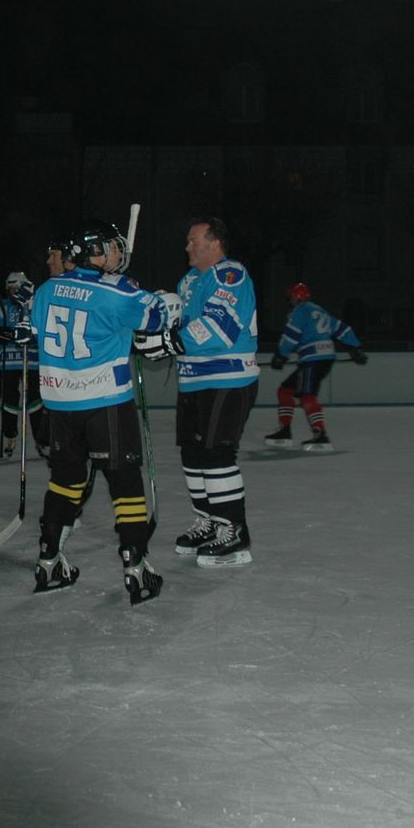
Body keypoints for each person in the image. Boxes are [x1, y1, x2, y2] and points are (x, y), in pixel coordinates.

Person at [29, 218, 171, 606]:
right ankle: (136, 565)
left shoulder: (46, 290)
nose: (116, 253)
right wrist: (147, 297)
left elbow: (43, 333)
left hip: (59, 403)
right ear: (92, 252)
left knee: (66, 478)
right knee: (124, 480)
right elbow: (157, 317)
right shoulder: (119, 290)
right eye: (109, 247)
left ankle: (48, 558)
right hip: (105, 401)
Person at [146, 217, 261, 568]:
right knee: (193, 454)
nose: (187, 247)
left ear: (215, 243)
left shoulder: (231, 275)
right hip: (193, 380)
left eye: (193, 240)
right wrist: (153, 328)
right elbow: (178, 325)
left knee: (215, 453)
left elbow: (219, 325)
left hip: (227, 379)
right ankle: (208, 519)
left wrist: (169, 341)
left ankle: (234, 528)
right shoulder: (189, 281)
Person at [266, 282, 366, 452]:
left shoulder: (299, 311)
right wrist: (355, 349)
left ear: (296, 297)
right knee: (285, 390)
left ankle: (320, 435)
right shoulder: (320, 310)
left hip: (312, 359)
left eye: (290, 296)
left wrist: (280, 356)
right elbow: (342, 329)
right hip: (324, 357)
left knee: (307, 394)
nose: (289, 300)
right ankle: (285, 431)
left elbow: (291, 336)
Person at [0, 270, 47, 458]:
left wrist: (33, 338)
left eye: (17, 286)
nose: (13, 290)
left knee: (35, 401)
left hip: (32, 361)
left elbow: (43, 331)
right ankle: (10, 435)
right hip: (7, 361)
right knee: (8, 400)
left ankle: (41, 440)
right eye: (10, 286)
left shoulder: (34, 306)